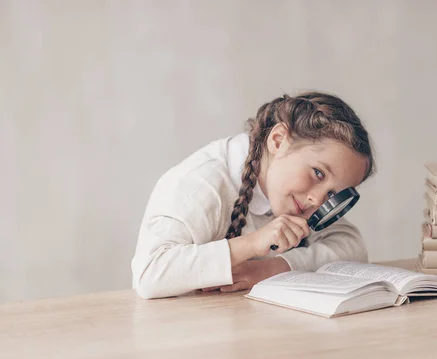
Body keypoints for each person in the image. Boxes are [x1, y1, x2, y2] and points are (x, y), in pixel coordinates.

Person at [131, 91, 376, 299]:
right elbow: (149, 274)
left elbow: (352, 247)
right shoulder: (203, 184)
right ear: (278, 141)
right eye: (318, 173)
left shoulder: (299, 197)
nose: (318, 200)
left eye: (333, 194)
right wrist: (251, 244)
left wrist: (274, 267)